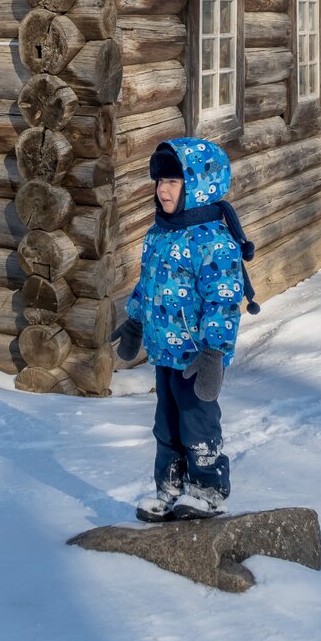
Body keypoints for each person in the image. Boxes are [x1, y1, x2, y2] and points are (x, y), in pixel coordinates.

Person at [111, 137, 257, 523]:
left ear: (198, 184)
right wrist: (135, 320)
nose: (162, 190)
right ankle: (170, 489)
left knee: (198, 421)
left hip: (198, 357)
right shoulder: (159, 233)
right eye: (160, 182)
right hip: (164, 351)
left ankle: (207, 490)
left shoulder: (214, 241)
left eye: (173, 182)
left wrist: (213, 352)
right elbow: (148, 284)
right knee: (166, 424)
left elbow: (224, 300)